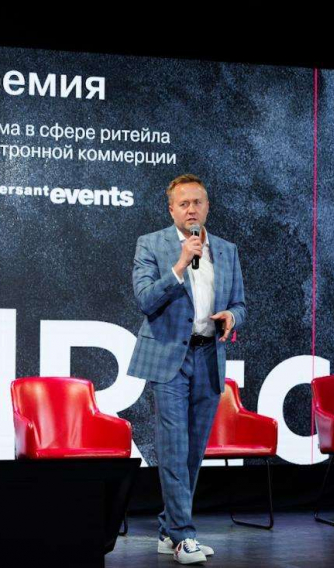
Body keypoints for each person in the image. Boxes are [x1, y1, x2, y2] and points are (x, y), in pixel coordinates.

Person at [127, 174, 246, 565]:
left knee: (193, 450)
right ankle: (183, 536)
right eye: (184, 204)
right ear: (171, 209)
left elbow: (240, 304)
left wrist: (232, 316)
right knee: (174, 447)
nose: (191, 209)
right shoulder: (151, 244)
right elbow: (145, 299)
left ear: (207, 206)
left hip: (208, 356)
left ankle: (168, 529)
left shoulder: (226, 250)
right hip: (169, 359)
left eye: (197, 202)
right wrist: (179, 266)